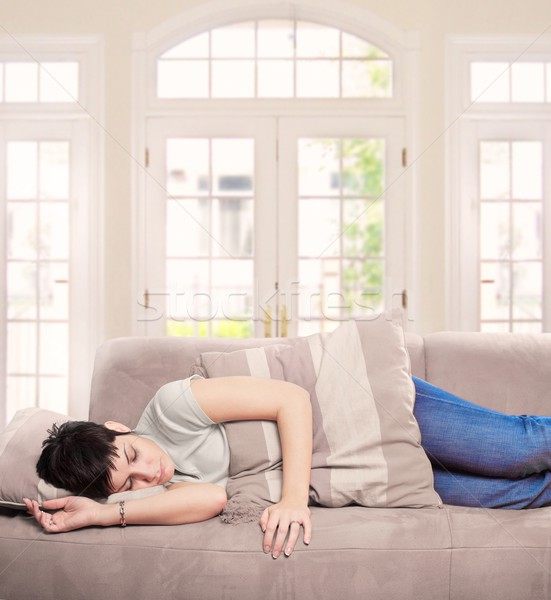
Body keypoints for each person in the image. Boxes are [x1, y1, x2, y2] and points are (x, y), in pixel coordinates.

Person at [25, 374, 551, 554]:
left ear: (119, 428)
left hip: (368, 406)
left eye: (135, 456)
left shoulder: (169, 408)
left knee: (516, 449)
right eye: (130, 484)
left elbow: (292, 399)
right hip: (364, 464)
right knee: (511, 495)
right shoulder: (143, 493)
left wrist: (293, 500)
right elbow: (212, 497)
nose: (150, 474)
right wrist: (98, 513)